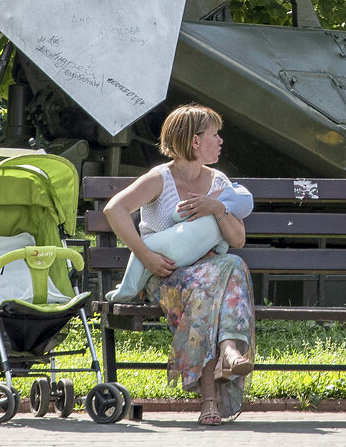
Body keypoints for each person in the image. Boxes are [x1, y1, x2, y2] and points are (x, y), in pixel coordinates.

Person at [103, 104, 255, 426]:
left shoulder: (219, 182)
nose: (221, 141)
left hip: (210, 272)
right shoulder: (160, 179)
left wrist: (217, 208)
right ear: (195, 142)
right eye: (215, 134)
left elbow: (237, 239)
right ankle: (214, 385)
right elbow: (114, 210)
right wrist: (146, 255)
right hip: (166, 273)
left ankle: (228, 353)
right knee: (209, 286)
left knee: (233, 265)